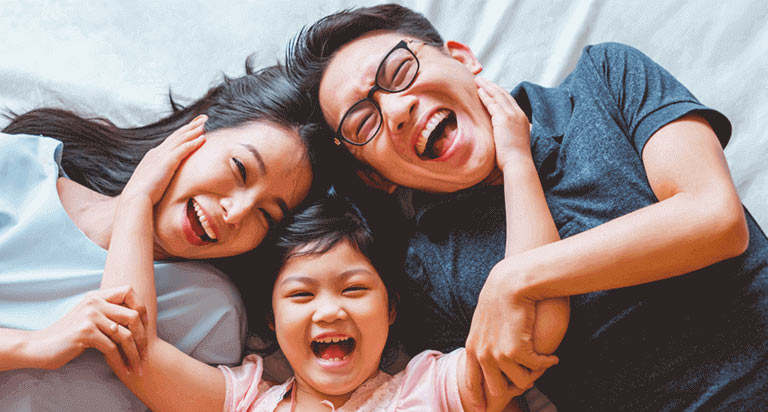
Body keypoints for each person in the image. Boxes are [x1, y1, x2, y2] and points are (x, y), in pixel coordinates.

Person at [285, 4, 768, 411]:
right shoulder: (426, 272)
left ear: (462, 58)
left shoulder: (606, 77)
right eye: (362, 122)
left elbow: (715, 219)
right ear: (376, 177)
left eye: (399, 72)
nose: (396, 110)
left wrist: (515, 279)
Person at [93, 106, 563, 410]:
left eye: (354, 289)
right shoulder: (246, 401)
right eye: (300, 295)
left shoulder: (432, 387)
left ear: (391, 307)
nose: (330, 311)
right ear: (271, 319)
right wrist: (137, 200)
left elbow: (535, 323)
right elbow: (130, 344)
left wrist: (517, 163)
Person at [0, 65, 316, 411]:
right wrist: (32, 346)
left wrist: (136, 202)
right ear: (196, 129)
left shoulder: (209, 309)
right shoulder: (19, 167)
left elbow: (130, 344)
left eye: (266, 215)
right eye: (240, 169)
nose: (236, 213)